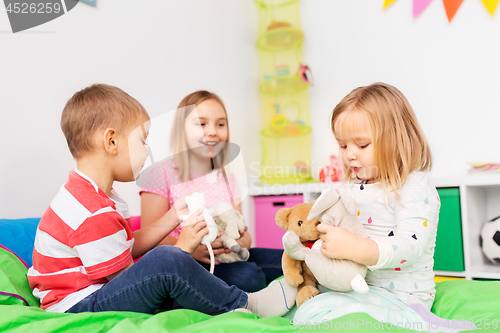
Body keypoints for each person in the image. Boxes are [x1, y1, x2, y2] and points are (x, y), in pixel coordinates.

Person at [27, 84, 297, 317]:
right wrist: (181, 248)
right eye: (143, 142)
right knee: (167, 259)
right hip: (82, 304)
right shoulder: (90, 210)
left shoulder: (95, 197)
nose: (147, 151)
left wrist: (171, 218)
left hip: (97, 290)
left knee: (187, 261)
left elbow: (127, 247)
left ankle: (314, 267)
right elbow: (129, 276)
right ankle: (248, 303)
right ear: (111, 142)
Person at [295, 83, 475, 332]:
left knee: (315, 315)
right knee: (304, 309)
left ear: (396, 138)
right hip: (359, 288)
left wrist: (356, 247)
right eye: (343, 145)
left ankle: (418, 321)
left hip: (402, 298)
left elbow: (410, 246)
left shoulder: (413, 185)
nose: (349, 155)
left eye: (362, 145)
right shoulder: (351, 186)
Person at [140, 91, 283, 292]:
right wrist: (191, 250)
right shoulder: (159, 173)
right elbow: (150, 240)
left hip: (228, 256)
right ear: (182, 130)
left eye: (220, 124)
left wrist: (240, 241)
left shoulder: (227, 178)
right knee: (249, 277)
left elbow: (243, 231)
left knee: (289, 260)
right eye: (202, 124)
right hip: (186, 262)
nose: (213, 131)